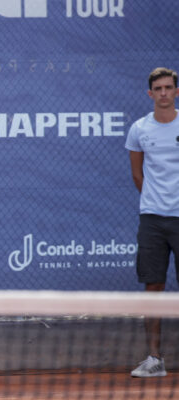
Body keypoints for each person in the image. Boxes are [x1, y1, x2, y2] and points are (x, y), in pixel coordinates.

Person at [125, 67, 179, 378]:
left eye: (168, 87)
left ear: (176, 91)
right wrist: (157, 203)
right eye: (157, 88)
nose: (163, 93)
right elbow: (137, 174)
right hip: (154, 221)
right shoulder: (139, 129)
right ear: (150, 93)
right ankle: (154, 359)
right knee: (153, 287)